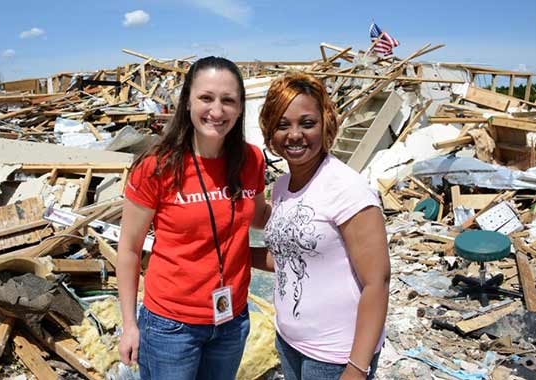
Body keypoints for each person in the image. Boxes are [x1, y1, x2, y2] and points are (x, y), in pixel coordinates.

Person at [117, 56, 270, 380]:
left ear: (241, 108)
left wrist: (311, 207)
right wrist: (129, 324)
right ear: (187, 102)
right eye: (206, 98)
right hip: (171, 327)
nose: (217, 111)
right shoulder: (156, 167)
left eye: (228, 100)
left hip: (232, 321)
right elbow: (129, 250)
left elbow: (258, 217)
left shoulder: (251, 160)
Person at [253, 72, 390, 380]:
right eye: (282, 125)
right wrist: (233, 254)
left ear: (325, 124)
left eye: (307, 123)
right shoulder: (282, 186)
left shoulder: (347, 189)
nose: (295, 135)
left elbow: (376, 283)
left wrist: (356, 368)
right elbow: (291, 258)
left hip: (335, 358)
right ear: (269, 132)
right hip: (289, 344)